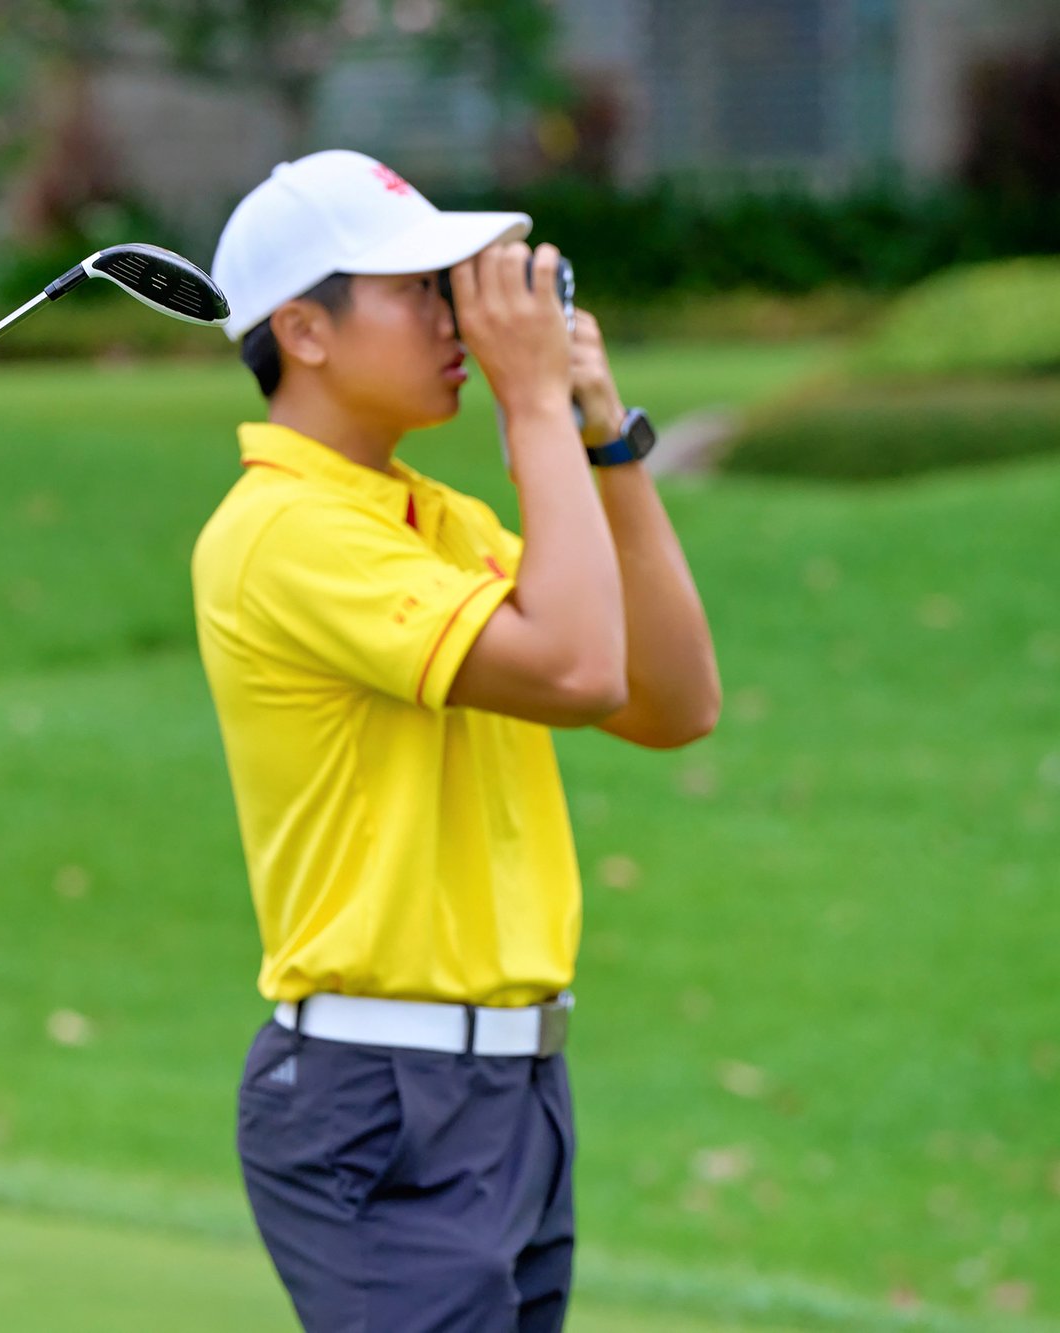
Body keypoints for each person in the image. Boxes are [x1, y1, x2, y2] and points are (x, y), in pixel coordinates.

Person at [195, 149, 720, 1331]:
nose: (457, 318)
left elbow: (668, 701)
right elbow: (581, 669)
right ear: (305, 331)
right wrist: (531, 403)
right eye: (417, 290)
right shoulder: (281, 530)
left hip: (512, 1086)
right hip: (378, 1097)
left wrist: (598, 436)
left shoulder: (440, 521)